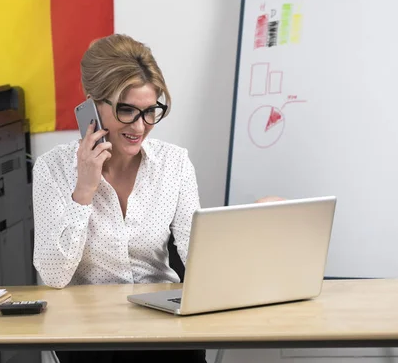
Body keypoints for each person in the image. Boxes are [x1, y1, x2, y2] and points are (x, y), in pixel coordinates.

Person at [32, 33, 279, 362]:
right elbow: (54, 275)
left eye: (151, 111)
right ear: (92, 104)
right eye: (127, 111)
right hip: (91, 337)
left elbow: (197, 258)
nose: (141, 125)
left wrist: (250, 229)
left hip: (165, 331)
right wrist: (84, 191)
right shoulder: (53, 169)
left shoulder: (174, 164)